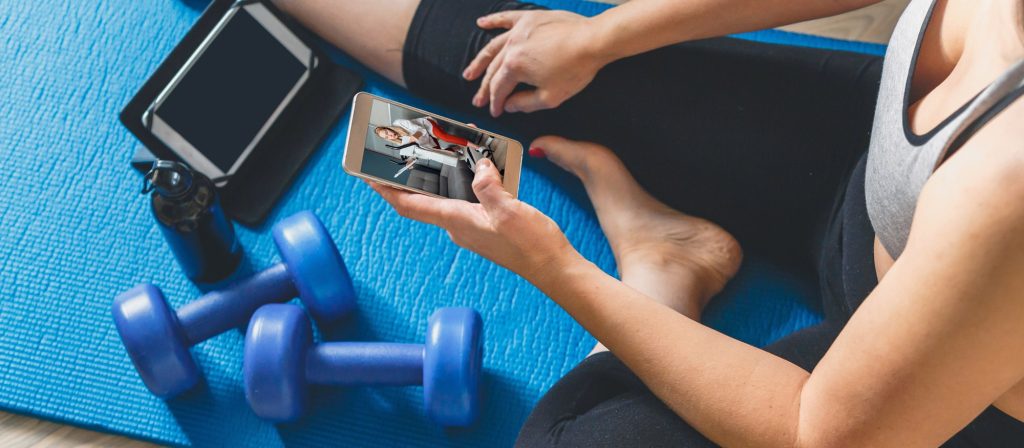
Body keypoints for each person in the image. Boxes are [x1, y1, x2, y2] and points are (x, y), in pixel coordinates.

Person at [274, 0, 1024, 445]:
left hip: (924, 393)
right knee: (511, 65)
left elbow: (816, 432)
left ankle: (664, 276)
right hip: (869, 180)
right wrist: (603, 36)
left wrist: (553, 266)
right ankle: (678, 249)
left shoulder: (1009, 182)